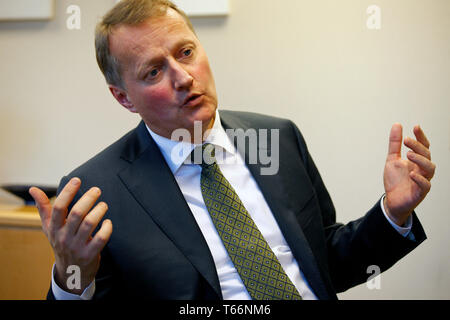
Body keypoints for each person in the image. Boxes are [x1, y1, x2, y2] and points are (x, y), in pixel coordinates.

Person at [29, 0, 435, 300]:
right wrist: (72, 274)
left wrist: (392, 214)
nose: (184, 77)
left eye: (186, 52)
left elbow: (326, 264)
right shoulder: (98, 192)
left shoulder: (278, 137)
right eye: (154, 71)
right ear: (124, 99)